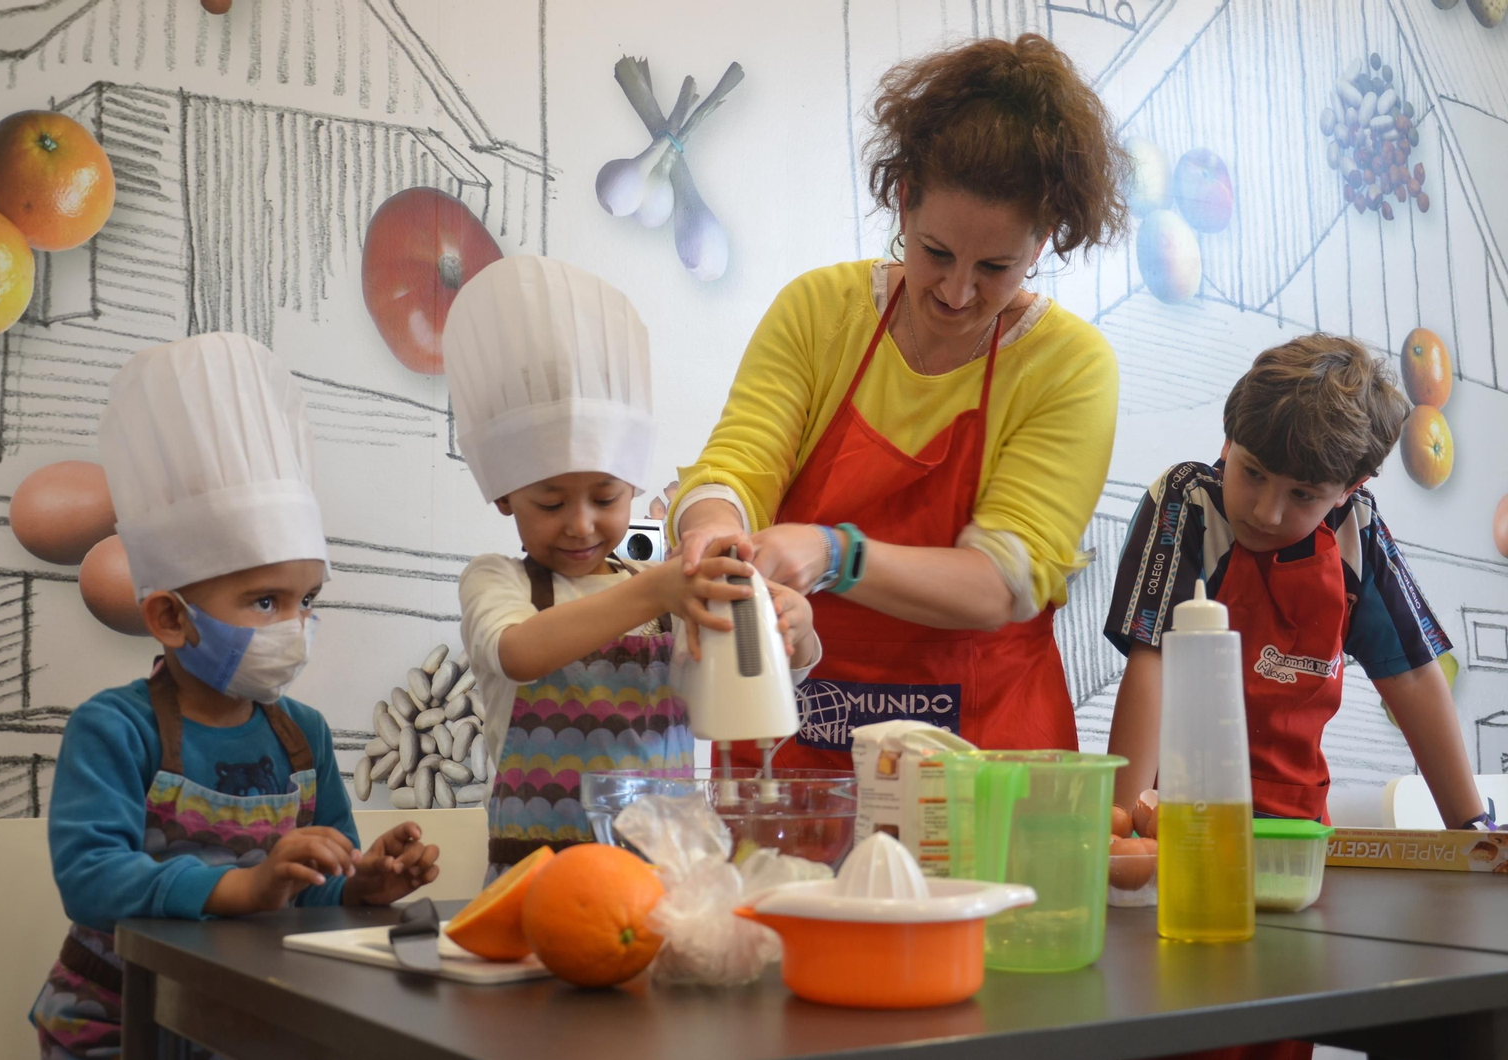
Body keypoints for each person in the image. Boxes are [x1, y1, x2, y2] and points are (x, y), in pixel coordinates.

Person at [670, 33, 1127, 769]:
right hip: (800, 754)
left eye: (995, 268)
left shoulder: (1069, 366)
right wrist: (712, 535)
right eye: (936, 253)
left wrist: (834, 553)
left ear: (1042, 241)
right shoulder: (822, 312)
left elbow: (1002, 581)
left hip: (985, 767)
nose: (956, 293)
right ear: (905, 199)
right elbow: (736, 467)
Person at [31, 333, 441, 1060]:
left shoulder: (302, 737)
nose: (293, 626)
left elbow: (309, 886)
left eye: (305, 600)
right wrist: (243, 888)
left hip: (243, 1026)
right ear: (168, 618)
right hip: (117, 1024)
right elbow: (91, 879)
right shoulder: (115, 729)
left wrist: (358, 885)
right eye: (263, 602)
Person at [444, 256, 821, 881]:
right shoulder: (500, 582)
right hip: (535, 885)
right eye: (550, 502)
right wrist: (657, 590)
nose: (581, 523)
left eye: (605, 497)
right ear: (505, 495)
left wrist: (792, 628)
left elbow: (752, 675)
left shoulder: (668, 593)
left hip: (667, 881)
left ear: (634, 487)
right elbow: (519, 653)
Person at [1104, 334, 1492, 833]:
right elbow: (1152, 658)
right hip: (1177, 822)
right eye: (1254, 473)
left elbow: (1414, 677)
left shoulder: (1358, 529)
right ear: (1228, 440)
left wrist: (1473, 829)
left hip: (1298, 832)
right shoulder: (1189, 500)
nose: (1267, 512)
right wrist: (1119, 830)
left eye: (1303, 494)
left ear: (1349, 489)